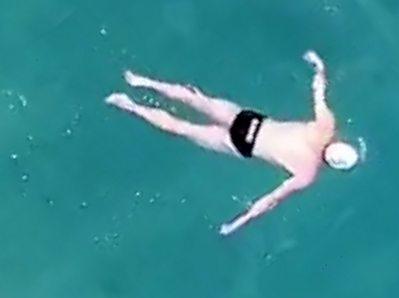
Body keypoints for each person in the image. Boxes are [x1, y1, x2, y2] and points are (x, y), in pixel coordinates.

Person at [105, 51, 359, 235]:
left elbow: (318, 92)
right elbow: (270, 200)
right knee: (181, 127)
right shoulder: (308, 172)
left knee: (197, 99)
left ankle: (141, 81)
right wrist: (239, 222)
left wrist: (318, 65)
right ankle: (129, 105)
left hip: (252, 122)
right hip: (242, 144)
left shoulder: (325, 127)